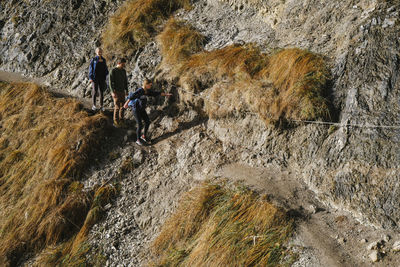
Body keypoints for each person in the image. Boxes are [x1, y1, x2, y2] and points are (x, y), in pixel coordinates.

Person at [124, 78, 172, 145]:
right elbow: (132, 96)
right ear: (146, 84)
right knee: (140, 124)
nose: (151, 86)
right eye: (150, 85)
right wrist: (126, 104)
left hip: (142, 109)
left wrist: (166, 94)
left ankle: (143, 136)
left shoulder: (147, 91)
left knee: (147, 122)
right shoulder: (140, 90)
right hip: (136, 110)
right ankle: (138, 139)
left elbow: (155, 93)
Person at [109, 58, 129, 126]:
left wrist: (126, 90)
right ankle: (115, 121)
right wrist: (112, 91)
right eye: (122, 64)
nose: (123, 66)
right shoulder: (113, 71)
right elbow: (110, 82)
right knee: (117, 106)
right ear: (118, 63)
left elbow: (125, 81)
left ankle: (121, 119)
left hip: (122, 91)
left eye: (124, 64)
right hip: (116, 91)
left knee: (123, 106)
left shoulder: (123, 71)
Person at [89, 47, 108, 111]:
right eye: (98, 52)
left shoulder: (104, 60)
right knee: (95, 91)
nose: (100, 53)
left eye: (101, 51)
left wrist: (106, 75)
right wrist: (90, 77)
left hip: (102, 78)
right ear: (96, 52)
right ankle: (94, 105)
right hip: (95, 78)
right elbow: (91, 69)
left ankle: (101, 106)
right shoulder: (93, 60)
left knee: (101, 92)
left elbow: (105, 68)